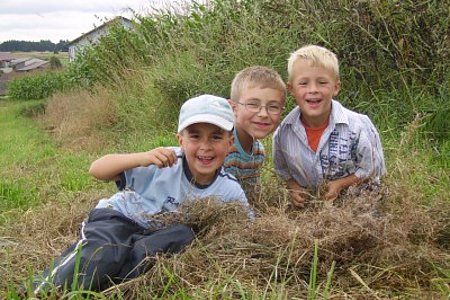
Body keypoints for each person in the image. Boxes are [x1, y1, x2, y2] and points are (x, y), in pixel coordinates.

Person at [32, 94, 250, 294]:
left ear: (230, 143)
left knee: (182, 236)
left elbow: (246, 228)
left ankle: (105, 288)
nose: (205, 146)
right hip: (118, 219)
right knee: (107, 251)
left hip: (154, 235)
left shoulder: (228, 189)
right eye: (195, 136)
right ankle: (43, 292)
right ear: (180, 140)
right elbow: (97, 169)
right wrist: (141, 157)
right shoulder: (164, 161)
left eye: (215, 137)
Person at [273, 45, 386, 207]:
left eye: (322, 82)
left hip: (358, 206)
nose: (313, 90)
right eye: (303, 83)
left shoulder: (358, 126)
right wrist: (294, 187)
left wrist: (341, 184)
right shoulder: (283, 133)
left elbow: (374, 168)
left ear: (336, 87)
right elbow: (282, 169)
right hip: (310, 209)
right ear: (291, 89)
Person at [224, 66, 286, 197]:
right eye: (253, 104)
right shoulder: (221, 145)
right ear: (233, 108)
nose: (263, 114)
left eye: (273, 107)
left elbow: (252, 197)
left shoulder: (258, 152)